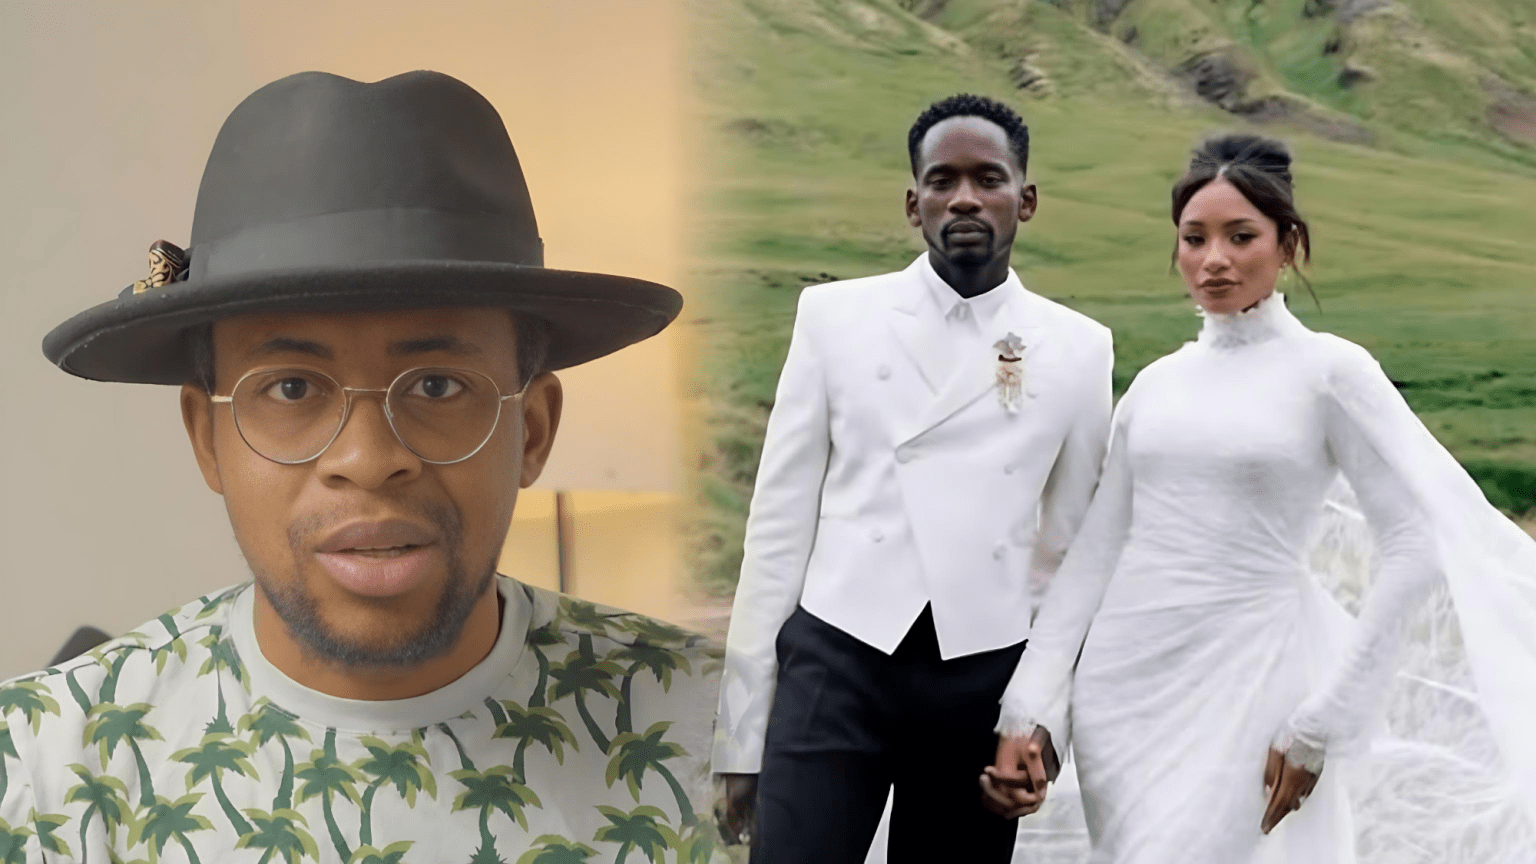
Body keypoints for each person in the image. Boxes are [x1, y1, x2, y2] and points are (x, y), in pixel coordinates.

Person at [0, 70, 722, 862]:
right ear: (207, 440)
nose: (369, 460)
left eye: (439, 385)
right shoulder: (39, 767)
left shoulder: (738, 730)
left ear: (535, 429)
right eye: (292, 387)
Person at [987, 133, 1536, 862]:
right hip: (1124, 698)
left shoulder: (1329, 372)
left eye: (1240, 236)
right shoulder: (1155, 386)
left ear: (1287, 246)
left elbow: (1413, 544)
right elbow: (1095, 554)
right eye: (1195, 238)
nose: (1214, 259)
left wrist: (1323, 721)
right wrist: (1029, 707)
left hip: (1254, 683)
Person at [712, 93, 1114, 862]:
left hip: (980, 685)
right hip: (836, 663)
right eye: (942, 180)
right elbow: (775, 535)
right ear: (913, 201)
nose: (964, 196)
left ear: (1025, 200)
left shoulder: (1079, 349)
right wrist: (739, 737)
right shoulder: (833, 319)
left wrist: (1040, 729)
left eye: (988, 178)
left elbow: (1068, 564)